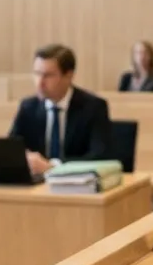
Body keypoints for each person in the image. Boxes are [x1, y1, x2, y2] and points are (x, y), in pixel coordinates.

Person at [8, 44, 112, 175]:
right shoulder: (28, 107)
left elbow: (99, 157)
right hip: (36, 184)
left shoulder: (94, 107)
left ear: (68, 76)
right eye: (37, 74)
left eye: (48, 75)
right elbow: (11, 149)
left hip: (77, 185)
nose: (40, 82)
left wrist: (53, 166)